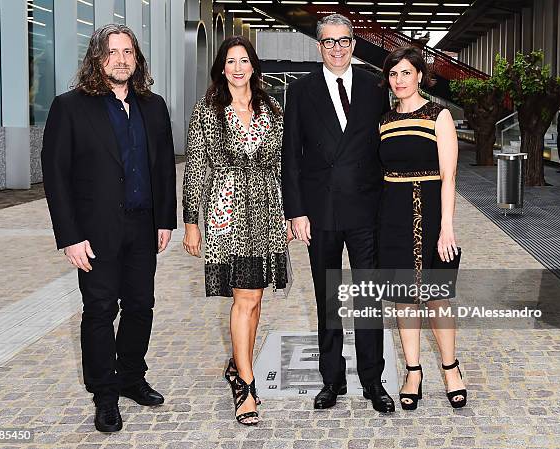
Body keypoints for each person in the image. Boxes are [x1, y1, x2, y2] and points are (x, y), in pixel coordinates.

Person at [41, 24, 177, 433]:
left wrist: (165, 220)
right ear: (97, 60)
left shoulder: (153, 106)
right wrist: (69, 236)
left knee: (140, 307)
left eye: (128, 52)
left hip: (142, 225)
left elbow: (163, 168)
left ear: (137, 59)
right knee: (100, 310)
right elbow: (56, 175)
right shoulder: (69, 107)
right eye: (112, 52)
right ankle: (104, 395)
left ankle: (132, 378)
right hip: (95, 232)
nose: (121, 59)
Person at [282, 13, 394, 413]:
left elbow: (387, 146)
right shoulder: (301, 90)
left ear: (354, 43)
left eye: (344, 40)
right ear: (318, 46)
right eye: (329, 42)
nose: (338, 48)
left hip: (367, 208)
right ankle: (332, 380)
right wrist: (295, 211)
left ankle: (372, 381)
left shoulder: (374, 85)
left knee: (368, 299)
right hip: (320, 211)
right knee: (327, 298)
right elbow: (290, 155)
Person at [182, 35, 290, 426]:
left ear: (254, 66)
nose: (238, 68)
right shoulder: (208, 110)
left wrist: (289, 214)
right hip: (227, 211)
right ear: (221, 69)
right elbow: (196, 168)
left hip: (266, 209)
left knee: (256, 297)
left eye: (244, 60)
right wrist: (191, 223)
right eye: (231, 61)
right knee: (244, 297)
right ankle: (245, 384)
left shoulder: (273, 108)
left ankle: (236, 361)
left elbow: (282, 164)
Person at [378, 46, 467, 410]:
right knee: (403, 297)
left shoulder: (438, 116)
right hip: (393, 215)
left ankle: (451, 369)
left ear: (419, 75)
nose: (399, 80)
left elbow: (449, 176)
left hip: (432, 215)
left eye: (406, 73)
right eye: (393, 74)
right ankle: (413, 371)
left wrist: (447, 227)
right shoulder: (383, 121)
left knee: (437, 296)